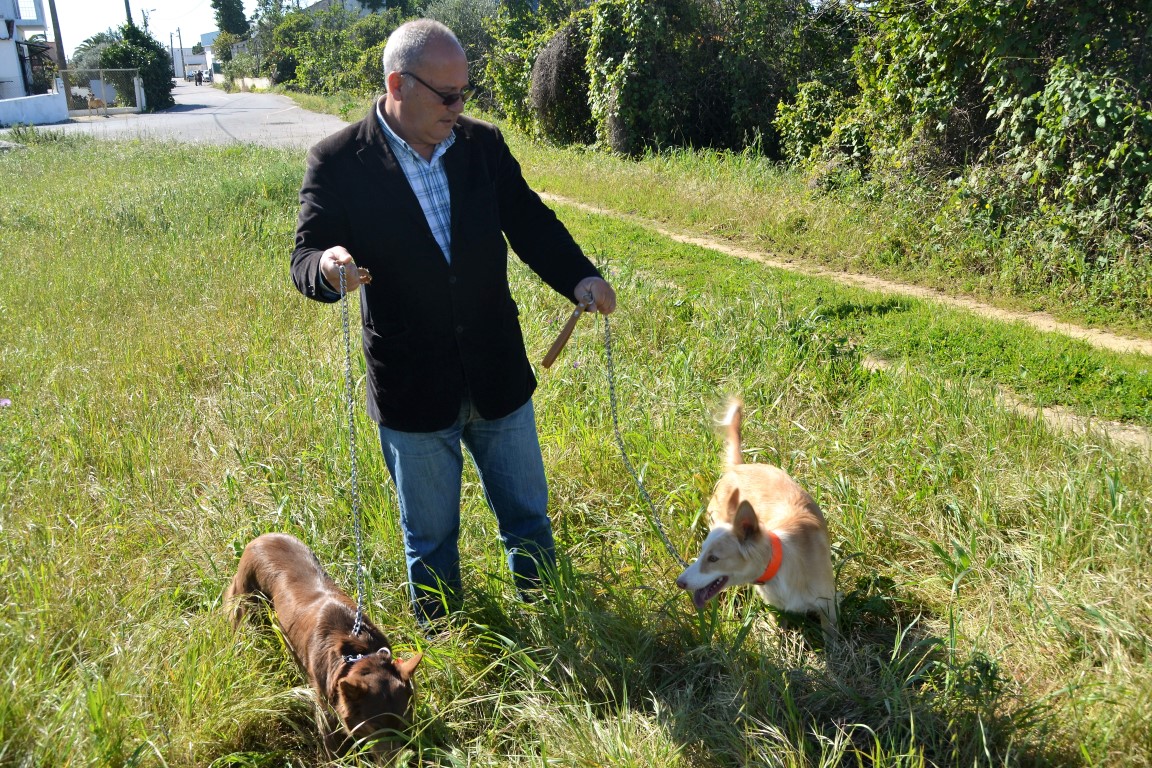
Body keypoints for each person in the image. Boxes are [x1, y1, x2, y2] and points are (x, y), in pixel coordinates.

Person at [290, 19, 617, 627]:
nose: (459, 107)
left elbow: (530, 222)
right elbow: (306, 256)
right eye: (447, 96)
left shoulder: (482, 146)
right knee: (431, 542)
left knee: (527, 518)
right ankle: (445, 645)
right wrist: (328, 267)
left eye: (465, 92)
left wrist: (580, 277)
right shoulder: (336, 161)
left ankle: (551, 623)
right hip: (413, 388)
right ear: (398, 84)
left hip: (497, 372)